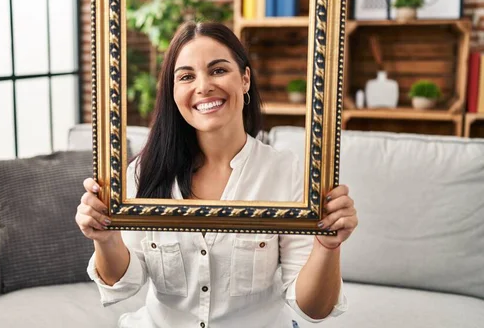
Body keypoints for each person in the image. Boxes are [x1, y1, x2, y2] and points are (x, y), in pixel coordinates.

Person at [76, 21, 358, 328]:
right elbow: (122, 283)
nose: (203, 86)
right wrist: (105, 239)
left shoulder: (288, 172)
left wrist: (327, 245)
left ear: (245, 79)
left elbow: (313, 309)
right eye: (186, 76)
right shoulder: (144, 173)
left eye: (218, 70)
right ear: (173, 91)